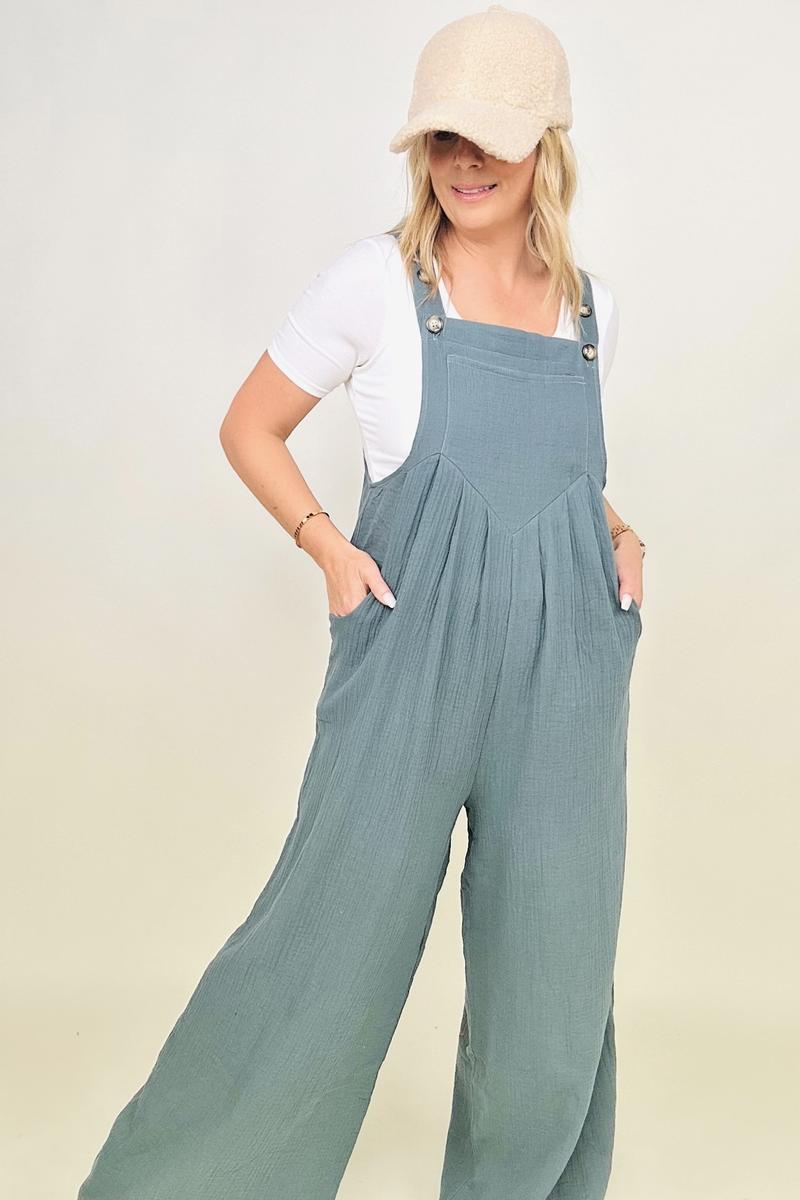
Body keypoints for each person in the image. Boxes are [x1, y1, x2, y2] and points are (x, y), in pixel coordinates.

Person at [76, 6, 646, 1199]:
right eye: (443, 138)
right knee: (321, 962)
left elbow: (550, 474)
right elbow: (251, 425)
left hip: (564, 676)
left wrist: (613, 530)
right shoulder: (378, 285)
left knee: (551, 994)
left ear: (544, 145)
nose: (464, 162)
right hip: (407, 661)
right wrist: (325, 545)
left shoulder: (587, 307)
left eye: (489, 138)